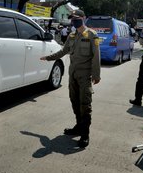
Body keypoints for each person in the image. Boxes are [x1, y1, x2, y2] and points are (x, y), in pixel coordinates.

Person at [40, 9, 101, 148]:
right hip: (72, 75)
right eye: (72, 18)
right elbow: (63, 51)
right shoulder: (72, 36)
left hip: (85, 76)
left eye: (76, 18)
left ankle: (85, 135)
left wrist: (96, 75)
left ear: (83, 18)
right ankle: (78, 127)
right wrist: (49, 58)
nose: (74, 20)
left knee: (85, 104)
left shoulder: (92, 35)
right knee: (74, 101)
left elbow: (96, 56)